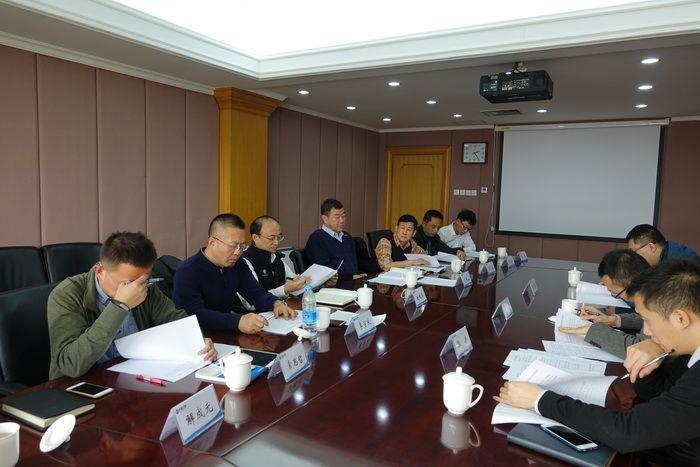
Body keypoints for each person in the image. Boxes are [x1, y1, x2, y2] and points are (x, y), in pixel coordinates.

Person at [496, 261, 700, 466]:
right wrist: (650, 363)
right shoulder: (687, 351)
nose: (645, 331)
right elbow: (661, 397)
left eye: (647, 320)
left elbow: (629, 432)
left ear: (680, 319)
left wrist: (540, 400)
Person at [47, 232, 216, 380]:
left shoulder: (145, 287)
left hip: (130, 376)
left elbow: (176, 322)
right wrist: (119, 306)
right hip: (80, 386)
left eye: (143, 280)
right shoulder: (66, 295)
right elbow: (71, 364)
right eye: (127, 283)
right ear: (100, 271)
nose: (136, 289)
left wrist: (198, 341)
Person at [173, 214, 295, 334]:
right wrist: (237, 321)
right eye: (233, 246)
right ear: (212, 242)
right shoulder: (188, 270)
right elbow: (193, 315)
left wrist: (276, 303)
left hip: (227, 331)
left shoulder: (238, 264)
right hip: (200, 335)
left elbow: (256, 293)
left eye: (242, 246)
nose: (238, 252)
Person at [559, 249, 650, 359]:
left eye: (615, 293)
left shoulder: (658, 303)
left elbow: (640, 349)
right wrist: (612, 320)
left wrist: (593, 330)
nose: (614, 296)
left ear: (631, 285)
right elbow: (643, 319)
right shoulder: (652, 289)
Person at [241, 216, 309, 304]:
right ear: (255, 238)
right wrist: (285, 289)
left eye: (279, 237)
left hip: (280, 305)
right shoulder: (245, 261)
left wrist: (299, 282)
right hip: (259, 311)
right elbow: (251, 302)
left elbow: (291, 278)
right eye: (271, 238)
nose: (276, 242)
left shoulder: (276, 258)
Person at [304, 198, 366, 282]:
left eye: (343, 216)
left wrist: (362, 274)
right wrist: (349, 277)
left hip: (355, 281)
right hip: (335, 285)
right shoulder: (317, 238)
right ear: (325, 218)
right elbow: (323, 272)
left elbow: (356, 264)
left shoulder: (347, 237)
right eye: (337, 217)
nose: (342, 220)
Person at [626, 224, 699, 267]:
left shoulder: (683, 263)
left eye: (634, 253)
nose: (634, 258)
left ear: (651, 247)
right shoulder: (663, 257)